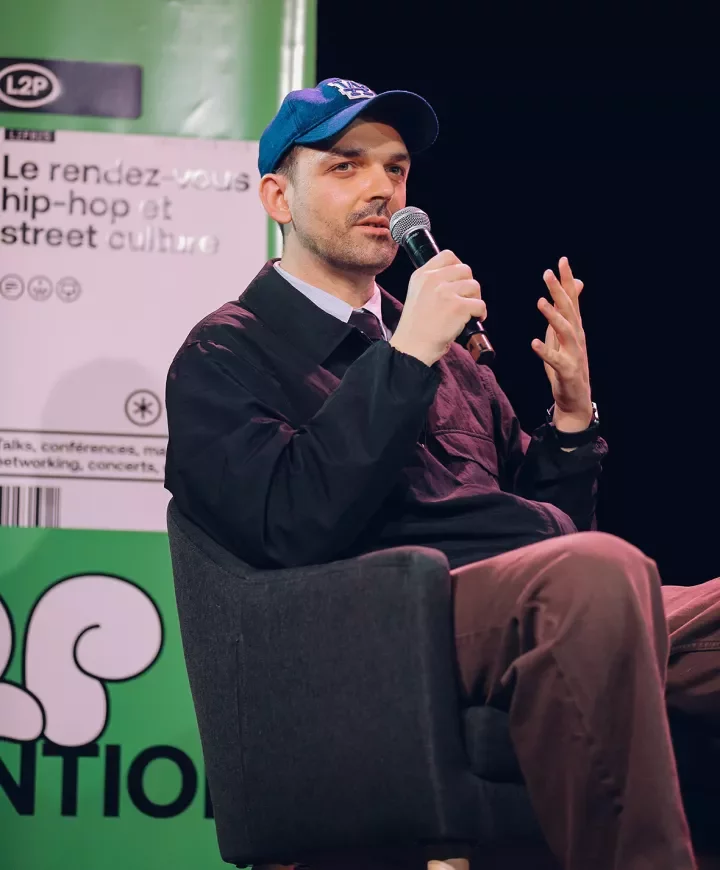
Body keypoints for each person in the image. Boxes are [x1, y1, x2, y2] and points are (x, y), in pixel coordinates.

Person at [164, 78, 720, 870]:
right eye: (346, 166)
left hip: (520, 607)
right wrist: (404, 358)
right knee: (594, 576)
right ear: (278, 198)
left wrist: (568, 423)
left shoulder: (452, 355)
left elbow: (539, 528)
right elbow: (289, 525)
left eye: (395, 170)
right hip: (383, 627)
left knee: (623, 585)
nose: (382, 190)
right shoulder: (227, 353)